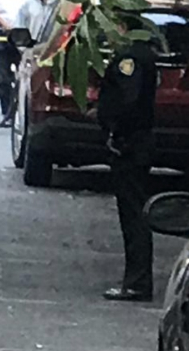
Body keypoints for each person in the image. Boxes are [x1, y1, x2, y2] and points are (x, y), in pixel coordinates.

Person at [97, 22, 158, 302]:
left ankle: (137, 282)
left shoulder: (130, 58)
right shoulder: (145, 53)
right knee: (134, 210)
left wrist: (116, 133)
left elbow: (128, 100)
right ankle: (136, 280)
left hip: (130, 143)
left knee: (133, 214)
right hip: (138, 141)